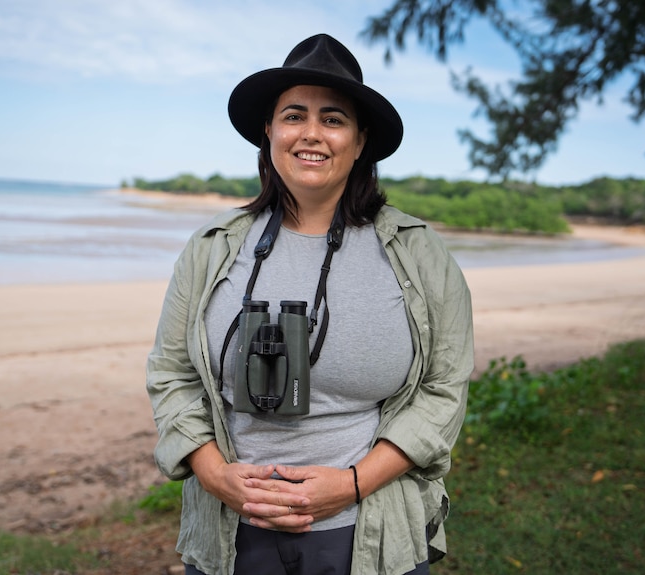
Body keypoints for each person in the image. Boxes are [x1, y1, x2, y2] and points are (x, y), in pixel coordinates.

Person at [147, 33, 474, 575]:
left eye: (334, 118)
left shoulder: (418, 253)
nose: (311, 134)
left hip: (370, 532)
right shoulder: (212, 247)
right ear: (269, 132)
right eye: (294, 115)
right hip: (232, 535)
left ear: (360, 139)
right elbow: (171, 372)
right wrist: (211, 472)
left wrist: (351, 484)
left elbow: (444, 388)